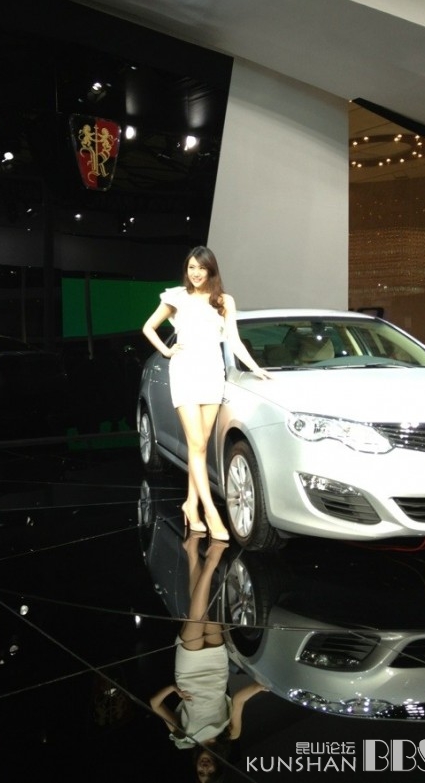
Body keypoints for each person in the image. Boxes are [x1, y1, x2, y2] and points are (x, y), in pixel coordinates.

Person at [142, 246, 271, 539]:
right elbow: (148, 327)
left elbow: (234, 341)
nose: (196, 273)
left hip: (212, 374)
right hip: (185, 373)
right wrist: (166, 351)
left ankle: (190, 505)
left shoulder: (223, 301)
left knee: (199, 448)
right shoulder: (176, 297)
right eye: (191, 268)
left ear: (211, 270)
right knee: (196, 443)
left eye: (201, 268)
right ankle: (212, 513)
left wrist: (256, 368)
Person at [149, 535, 268, 779]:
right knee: (206, 611)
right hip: (216, 672)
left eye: (200, 772)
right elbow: (238, 700)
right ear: (217, 766)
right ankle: (192, 551)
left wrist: (173, 689)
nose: (204, 768)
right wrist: (262, 686)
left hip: (189, 674)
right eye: (208, 772)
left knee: (197, 618)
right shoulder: (231, 734)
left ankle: (212, 558)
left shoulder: (183, 740)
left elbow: (154, 704)